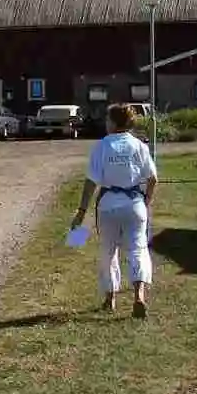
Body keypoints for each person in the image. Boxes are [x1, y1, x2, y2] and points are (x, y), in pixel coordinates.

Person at [72, 102, 159, 317]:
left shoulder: (102, 146)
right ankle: (139, 295)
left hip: (109, 204)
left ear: (112, 122)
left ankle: (110, 298)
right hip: (134, 204)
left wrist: (82, 211)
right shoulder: (139, 145)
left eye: (107, 119)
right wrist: (146, 200)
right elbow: (153, 178)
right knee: (138, 249)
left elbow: (91, 182)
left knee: (108, 251)